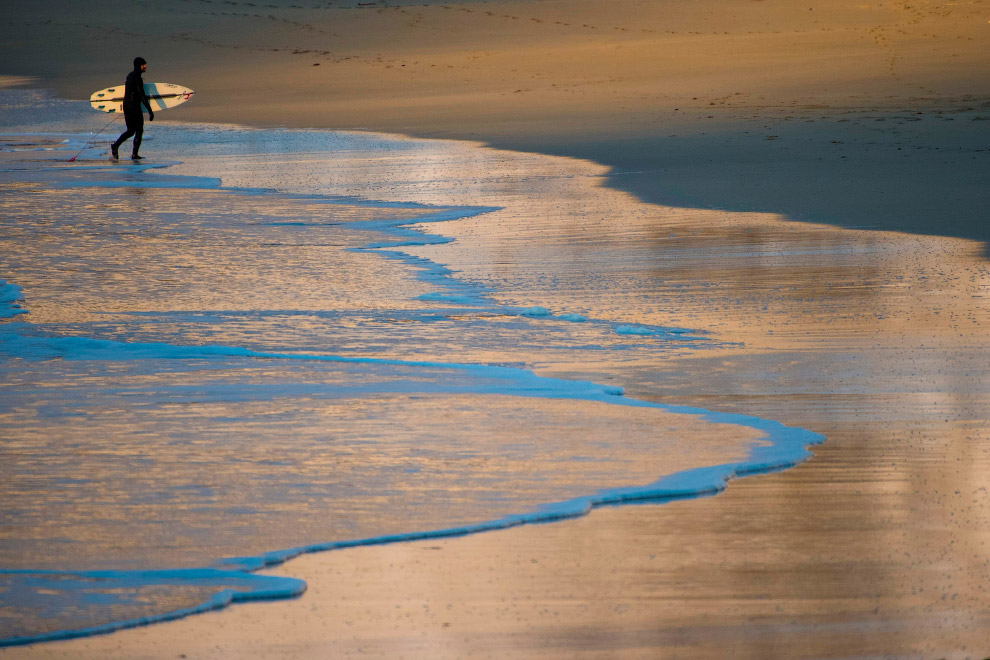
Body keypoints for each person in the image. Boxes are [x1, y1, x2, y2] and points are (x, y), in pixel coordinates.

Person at [110, 57, 154, 160]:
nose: (145, 66)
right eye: (143, 65)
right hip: (134, 107)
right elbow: (142, 95)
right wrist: (150, 111)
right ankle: (134, 155)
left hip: (127, 106)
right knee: (139, 130)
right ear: (139, 66)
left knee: (130, 131)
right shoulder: (137, 78)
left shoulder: (130, 76)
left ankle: (115, 145)